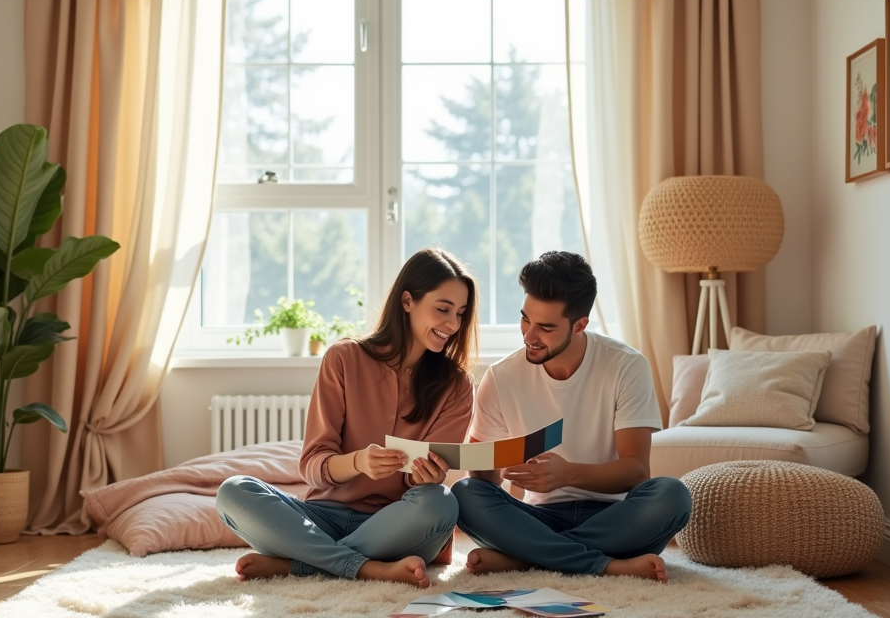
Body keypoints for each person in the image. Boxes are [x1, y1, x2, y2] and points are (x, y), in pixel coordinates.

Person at [216, 248, 478, 589]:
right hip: (321, 518)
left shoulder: (457, 387)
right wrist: (358, 462)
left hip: (396, 526)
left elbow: (426, 493)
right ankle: (368, 568)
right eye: (443, 309)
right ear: (407, 301)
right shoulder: (344, 358)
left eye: (460, 313)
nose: (453, 325)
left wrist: (427, 477)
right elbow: (312, 464)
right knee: (234, 492)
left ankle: (303, 565)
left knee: (440, 502)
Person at [451, 251, 691, 583]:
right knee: (464, 493)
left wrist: (566, 474)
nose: (528, 337)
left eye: (545, 328)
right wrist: (481, 463)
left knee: (672, 495)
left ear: (579, 325)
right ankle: (604, 564)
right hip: (536, 519)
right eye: (525, 319)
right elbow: (484, 482)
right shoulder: (501, 376)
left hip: (616, 518)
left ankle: (525, 558)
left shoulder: (626, 366)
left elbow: (636, 471)